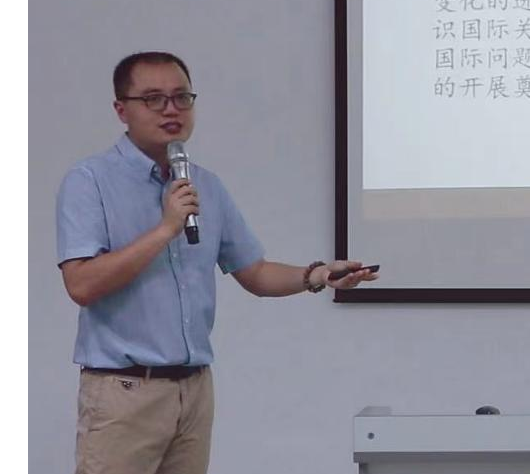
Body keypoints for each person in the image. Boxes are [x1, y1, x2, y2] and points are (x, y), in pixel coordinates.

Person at [55, 51, 378, 474]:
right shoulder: (89, 181)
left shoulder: (205, 185)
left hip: (194, 391)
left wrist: (317, 275)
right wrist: (165, 228)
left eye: (181, 97)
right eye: (153, 99)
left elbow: (254, 272)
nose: (171, 109)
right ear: (121, 110)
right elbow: (81, 284)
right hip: (125, 391)